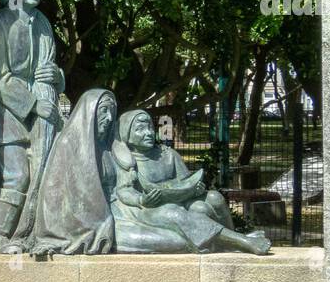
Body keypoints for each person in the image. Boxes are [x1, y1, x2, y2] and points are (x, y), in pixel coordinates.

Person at [0, 0, 65, 252]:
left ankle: (27, 233)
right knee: (17, 174)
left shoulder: (43, 25)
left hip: (40, 113)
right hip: (4, 113)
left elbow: (49, 68)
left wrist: (58, 77)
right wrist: (32, 104)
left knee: (43, 174)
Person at [108, 109, 270, 254]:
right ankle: (244, 242)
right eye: (140, 129)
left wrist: (196, 188)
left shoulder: (168, 154)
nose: (148, 133)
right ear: (126, 133)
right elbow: (124, 190)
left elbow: (186, 180)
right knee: (174, 212)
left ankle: (230, 242)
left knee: (213, 198)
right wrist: (141, 199)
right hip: (149, 208)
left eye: (150, 127)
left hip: (182, 199)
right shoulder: (127, 161)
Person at [30, 87, 119, 255]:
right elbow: (53, 201)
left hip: (119, 210)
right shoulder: (67, 145)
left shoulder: (107, 147)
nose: (108, 118)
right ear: (89, 112)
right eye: (103, 110)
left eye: (112, 112)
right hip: (91, 224)